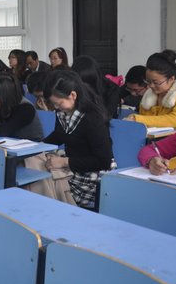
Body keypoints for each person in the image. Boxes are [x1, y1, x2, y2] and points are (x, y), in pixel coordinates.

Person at [26, 70, 113, 209]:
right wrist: (39, 146)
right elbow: (59, 135)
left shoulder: (93, 119)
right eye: (54, 104)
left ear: (73, 95)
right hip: (72, 166)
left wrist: (64, 162)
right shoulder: (63, 111)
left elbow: (104, 161)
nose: (56, 107)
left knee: (42, 179)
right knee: (31, 162)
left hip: (91, 176)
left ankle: (46, 213)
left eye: (59, 103)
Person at [125, 52, 176, 129]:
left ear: (171, 79)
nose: (151, 86)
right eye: (148, 81)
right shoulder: (148, 96)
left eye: (156, 82)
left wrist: (138, 119)